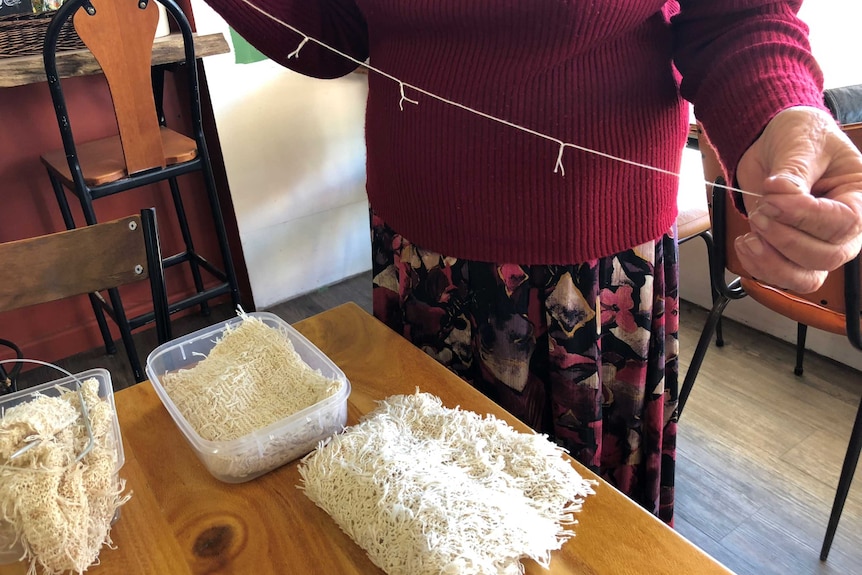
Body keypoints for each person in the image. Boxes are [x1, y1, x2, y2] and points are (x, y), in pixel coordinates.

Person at [202, 0, 862, 524]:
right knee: (429, 509)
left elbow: (735, 13)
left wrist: (778, 109)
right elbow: (341, 26)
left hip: (593, 268)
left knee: (587, 525)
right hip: (420, 252)